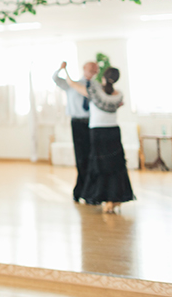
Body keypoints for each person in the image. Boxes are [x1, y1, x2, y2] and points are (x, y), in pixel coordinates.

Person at [64, 66, 135, 214]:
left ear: (103, 77)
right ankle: (115, 199)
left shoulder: (95, 93)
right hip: (114, 132)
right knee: (116, 166)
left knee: (100, 167)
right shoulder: (119, 95)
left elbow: (71, 84)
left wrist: (65, 70)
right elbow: (116, 105)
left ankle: (103, 197)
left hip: (98, 133)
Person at [53, 61, 99, 202]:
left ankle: (91, 192)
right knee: (81, 158)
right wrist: (61, 69)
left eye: (94, 68)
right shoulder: (72, 84)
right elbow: (55, 79)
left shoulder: (97, 87)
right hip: (78, 123)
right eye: (89, 67)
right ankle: (80, 191)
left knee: (92, 158)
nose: (92, 70)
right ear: (84, 68)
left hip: (93, 124)